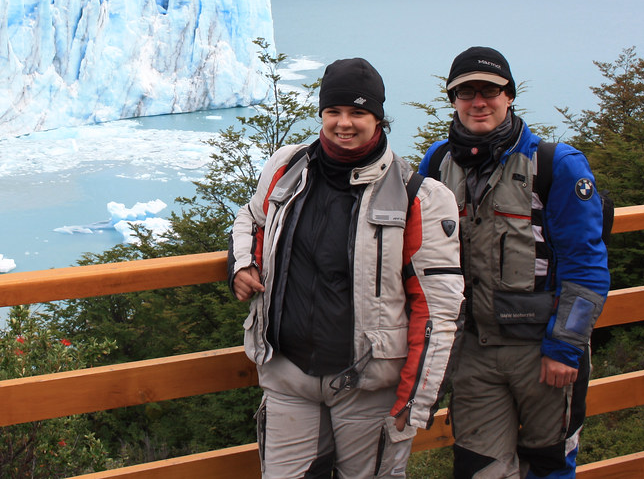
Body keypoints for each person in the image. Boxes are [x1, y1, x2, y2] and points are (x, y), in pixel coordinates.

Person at [228, 57, 465, 478]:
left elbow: (437, 308)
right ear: (321, 113)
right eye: (334, 111)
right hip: (288, 374)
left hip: (368, 384)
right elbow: (251, 218)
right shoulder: (287, 167)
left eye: (358, 112)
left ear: (379, 118)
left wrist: (416, 399)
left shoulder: (419, 196)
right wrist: (243, 262)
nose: (344, 123)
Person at [418, 46, 610, 479]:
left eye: (490, 90)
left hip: (542, 352)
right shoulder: (437, 163)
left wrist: (565, 347)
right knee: (478, 468)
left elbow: (586, 266)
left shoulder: (554, 165)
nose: (478, 102)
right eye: (466, 93)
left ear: (510, 96)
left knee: (548, 467)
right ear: (453, 100)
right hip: (473, 352)